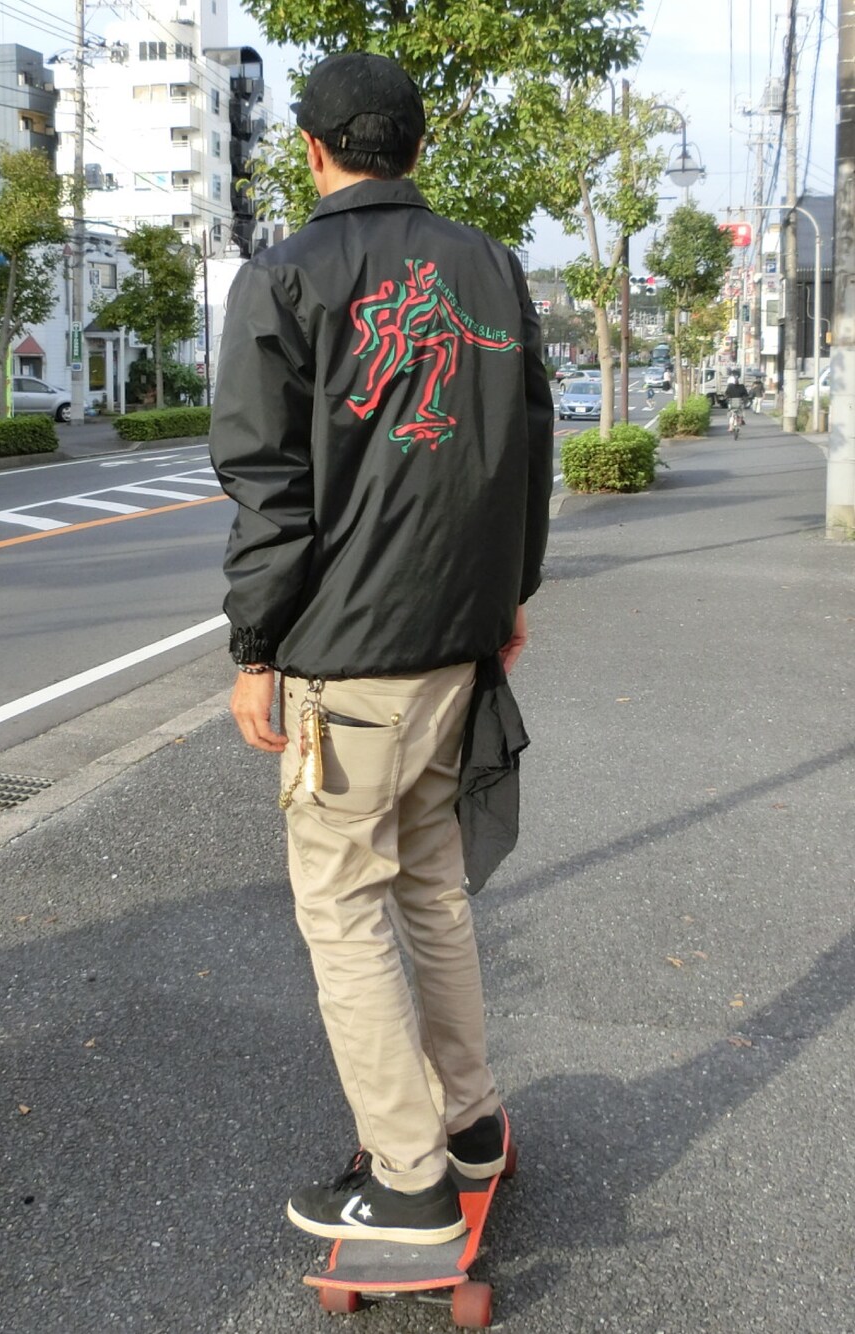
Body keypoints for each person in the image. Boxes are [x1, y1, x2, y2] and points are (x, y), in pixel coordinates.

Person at [209, 51, 553, 1247]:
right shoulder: (489, 263)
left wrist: (255, 648)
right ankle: (468, 1120)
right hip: (456, 638)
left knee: (344, 905)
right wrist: (510, 592)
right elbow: (527, 443)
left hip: (348, 655)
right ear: (418, 144)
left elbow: (267, 484)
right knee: (428, 884)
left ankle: (408, 1174)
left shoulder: (284, 276)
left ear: (311, 149)